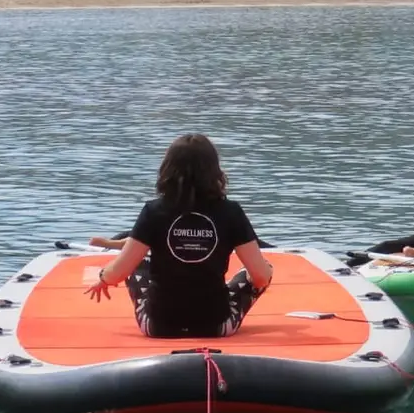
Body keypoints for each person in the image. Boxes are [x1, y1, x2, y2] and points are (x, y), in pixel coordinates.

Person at [84, 133, 274, 338]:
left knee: (135, 262)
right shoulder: (231, 212)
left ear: (168, 168)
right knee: (264, 267)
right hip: (215, 327)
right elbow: (261, 277)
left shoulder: (153, 211)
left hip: (158, 327)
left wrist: (104, 278)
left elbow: (118, 273)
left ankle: (127, 244)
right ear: (214, 170)